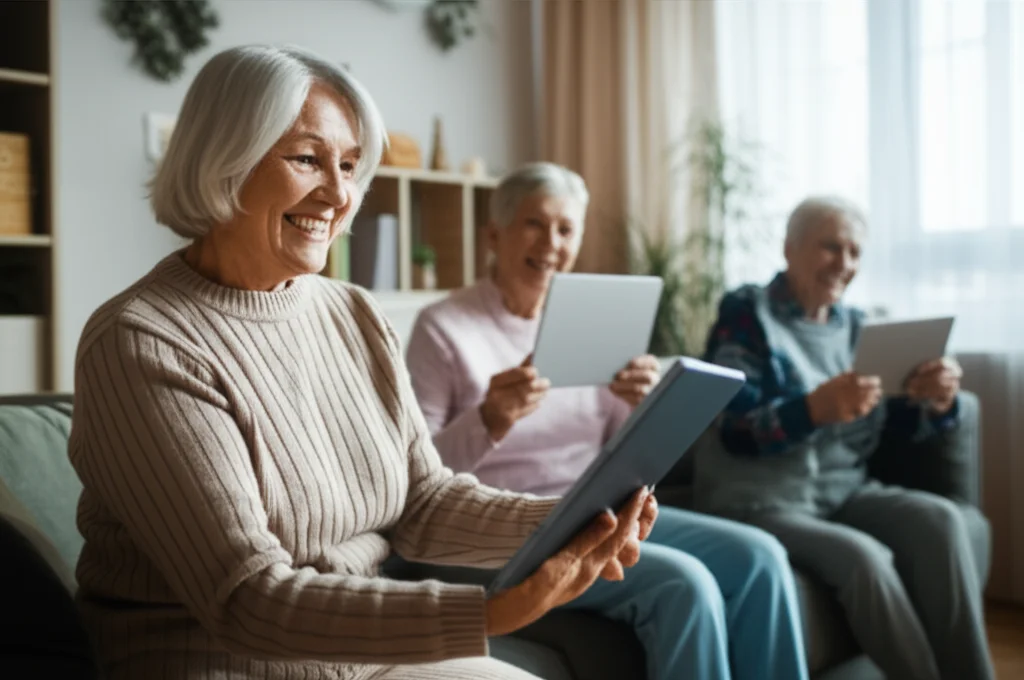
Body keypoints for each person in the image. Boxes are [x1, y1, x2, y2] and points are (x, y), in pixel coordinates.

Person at [67, 45, 659, 680]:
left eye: (349, 165)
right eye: (306, 159)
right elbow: (246, 598)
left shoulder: (354, 313)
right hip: (218, 664)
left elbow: (424, 502)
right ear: (224, 159)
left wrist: (575, 522)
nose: (339, 193)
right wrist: (486, 614)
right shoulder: (143, 341)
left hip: (358, 660)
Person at [405, 162, 809, 680]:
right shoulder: (444, 327)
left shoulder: (594, 318)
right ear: (493, 234)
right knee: (685, 584)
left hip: (595, 510)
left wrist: (644, 405)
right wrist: (489, 419)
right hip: (503, 525)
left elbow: (627, 452)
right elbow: (416, 478)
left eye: (566, 229)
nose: (551, 242)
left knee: (762, 557)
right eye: (535, 223)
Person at [696, 196, 995, 680]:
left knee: (940, 520)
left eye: (855, 252)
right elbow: (732, 427)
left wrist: (938, 402)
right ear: (789, 249)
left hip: (841, 491)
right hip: (759, 498)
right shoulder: (746, 316)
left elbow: (894, 424)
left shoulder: (856, 326)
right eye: (831, 247)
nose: (845, 264)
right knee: (865, 560)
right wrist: (811, 410)